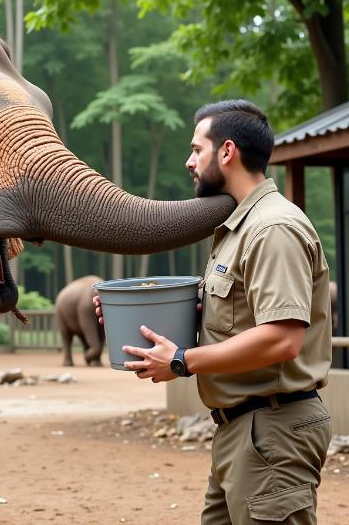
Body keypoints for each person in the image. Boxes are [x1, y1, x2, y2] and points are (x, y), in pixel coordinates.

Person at [94, 99, 332, 525]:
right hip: (242, 430)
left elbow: (283, 337)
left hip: (271, 430)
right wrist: (129, 316)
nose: (189, 161)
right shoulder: (237, 229)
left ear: (226, 152)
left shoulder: (272, 228)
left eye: (196, 149)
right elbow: (235, 319)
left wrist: (183, 361)